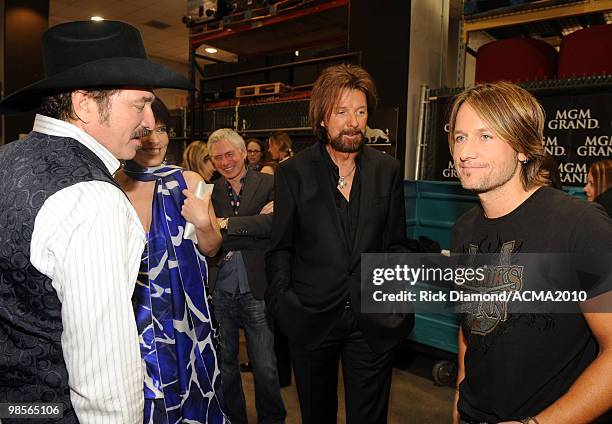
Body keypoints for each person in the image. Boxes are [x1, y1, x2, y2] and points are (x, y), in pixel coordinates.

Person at [0, 20, 192, 422]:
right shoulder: (93, 200)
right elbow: (104, 387)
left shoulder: (6, 160)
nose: (151, 122)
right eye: (139, 104)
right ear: (85, 102)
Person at [448, 82, 612, 424]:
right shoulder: (464, 229)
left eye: (485, 136)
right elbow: (471, 326)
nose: (464, 152)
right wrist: (459, 399)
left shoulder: (579, 225)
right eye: (460, 137)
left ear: (524, 148)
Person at [265, 64, 414, 424]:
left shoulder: (387, 170)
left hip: (374, 320)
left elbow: (396, 243)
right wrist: (286, 304)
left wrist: (397, 302)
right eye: (342, 112)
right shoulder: (293, 173)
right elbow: (281, 247)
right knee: (317, 414)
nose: (353, 122)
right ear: (321, 119)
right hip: (311, 319)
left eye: (360, 112)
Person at [114, 99, 227, 423]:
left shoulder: (191, 183)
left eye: (162, 130)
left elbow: (212, 248)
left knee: (190, 394)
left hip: (184, 321)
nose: (156, 140)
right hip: (131, 319)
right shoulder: (112, 185)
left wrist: (204, 222)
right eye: (147, 131)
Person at [207, 128, 286, 424]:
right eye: (218, 158)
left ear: (243, 153)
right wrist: (251, 226)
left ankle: (273, 420)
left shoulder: (270, 183)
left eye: (230, 154)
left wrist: (226, 224)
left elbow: (274, 226)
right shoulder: (209, 191)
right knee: (226, 366)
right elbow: (205, 236)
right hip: (220, 290)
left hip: (257, 288)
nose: (225, 162)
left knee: (265, 366)